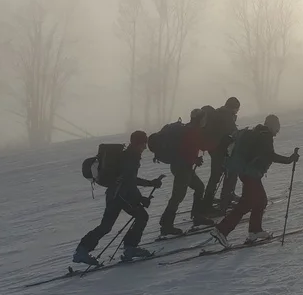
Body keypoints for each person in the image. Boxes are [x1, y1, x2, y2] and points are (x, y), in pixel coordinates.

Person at [72, 130, 164, 266]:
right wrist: (142, 196)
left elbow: (128, 180)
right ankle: (130, 248)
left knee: (106, 226)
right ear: (139, 143)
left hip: (114, 195)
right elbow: (129, 181)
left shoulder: (127, 155)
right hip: (122, 195)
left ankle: (82, 250)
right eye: (144, 144)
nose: (145, 147)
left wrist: (148, 186)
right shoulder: (131, 157)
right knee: (141, 216)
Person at [209, 114, 299, 247]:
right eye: (277, 127)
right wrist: (289, 159)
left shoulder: (258, 133)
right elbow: (269, 155)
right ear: (272, 126)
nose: (277, 131)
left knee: (253, 202)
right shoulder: (265, 136)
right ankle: (222, 230)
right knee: (254, 202)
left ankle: (254, 231)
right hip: (251, 175)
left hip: (247, 173)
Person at [158, 109, 215, 236]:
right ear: (200, 119)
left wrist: (195, 159)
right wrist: (195, 159)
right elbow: (186, 151)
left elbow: (198, 146)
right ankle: (166, 225)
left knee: (199, 187)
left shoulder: (190, 129)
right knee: (178, 196)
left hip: (182, 166)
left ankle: (197, 216)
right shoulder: (192, 131)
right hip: (182, 167)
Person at [201, 96, 241, 214]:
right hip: (220, 150)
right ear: (234, 108)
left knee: (217, 175)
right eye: (237, 109)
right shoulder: (226, 115)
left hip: (215, 149)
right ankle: (221, 199)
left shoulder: (220, 113)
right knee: (227, 173)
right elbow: (234, 133)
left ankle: (212, 200)